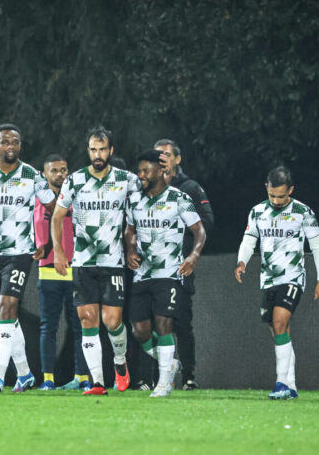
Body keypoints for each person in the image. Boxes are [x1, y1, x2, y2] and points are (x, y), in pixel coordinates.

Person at [0, 124, 54, 393]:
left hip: (20, 253)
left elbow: (55, 209)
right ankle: (25, 374)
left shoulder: (33, 176)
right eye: (5, 142)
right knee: (7, 316)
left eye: (15, 142)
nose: (11, 147)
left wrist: (47, 242)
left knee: (6, 306)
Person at [51, 127, 141, 395]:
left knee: (112, 321)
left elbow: (136, 218)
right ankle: (98, 382)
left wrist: (132, 246)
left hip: (113, 261)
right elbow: (57, 216)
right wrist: (58, 251)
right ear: (87, 151)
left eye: (102, 149)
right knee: (87, 318)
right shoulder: (75, 180)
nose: (98, 155)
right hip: (83, 262)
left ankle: (120, 362)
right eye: (93, 150)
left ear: (111, 151)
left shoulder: (127, 180)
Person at [234, 166, 319, 400]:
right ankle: (291, 385)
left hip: (293, 277)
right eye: (272, 195)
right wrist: (241, 262)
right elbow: (249, 240)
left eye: (281, 196)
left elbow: (317, 246)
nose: (276, 201)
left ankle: (280, 384)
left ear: (291, 191)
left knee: (279, 323)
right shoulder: (257, 212)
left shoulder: (303, 212)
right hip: (268, 279)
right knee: (280, 331)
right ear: (266, 188)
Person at [124, 150, 206, 397]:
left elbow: (199, 231)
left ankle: (162, 384)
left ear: (161, 171)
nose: (141, 175)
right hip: (143, 273)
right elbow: (129, 230)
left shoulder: (179, 199)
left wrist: (193, 256)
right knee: (139, 330)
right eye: (139, 171)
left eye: (145, 170)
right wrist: (129, 250)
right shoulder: (135, 200)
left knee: (164, 324)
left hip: (170, 273)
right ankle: (168, 363)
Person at [153, 139, 214, 389]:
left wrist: (182, 229)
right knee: (151, 323)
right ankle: (156, 375)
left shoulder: (190, 188)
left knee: (181, 322)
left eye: (167, 154)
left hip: (180, 266)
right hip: (153, 266)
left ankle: (188, 375)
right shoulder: (147, 187)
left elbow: (208, 223)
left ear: (178, 159)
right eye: (158, 154)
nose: (162, 158)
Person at [34, 154, 89, 390]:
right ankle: (48, 380)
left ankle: (82, 378)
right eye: (54, 170)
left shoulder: (78, 198)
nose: (60, 174)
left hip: (76, 269)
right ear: (44, 174)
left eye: (64, 169)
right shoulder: (36, 199)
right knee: (49, 327)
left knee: (81, 326)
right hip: (48, 270)